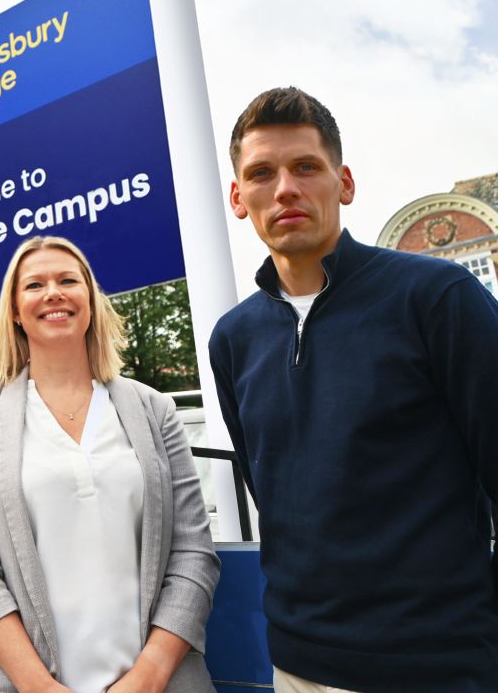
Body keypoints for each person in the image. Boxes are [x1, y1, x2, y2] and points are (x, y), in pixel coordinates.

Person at [209, 87, 498, 693]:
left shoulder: (437, 297)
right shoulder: (232, 339)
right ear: (238, 198)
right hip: (296, 666)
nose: (285, 189)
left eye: (305, 167)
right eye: (261, 173)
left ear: (344, 183)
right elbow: (272, 495)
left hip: (436, 665)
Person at [0, 235, 219, 693]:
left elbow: (193, 551)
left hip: (158, 684)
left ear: (90, 301)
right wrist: (38, 686)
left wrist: (149, 676)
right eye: (35, 285)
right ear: (14, 311)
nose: (53, 293)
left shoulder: (154, 409)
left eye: (68, 281)